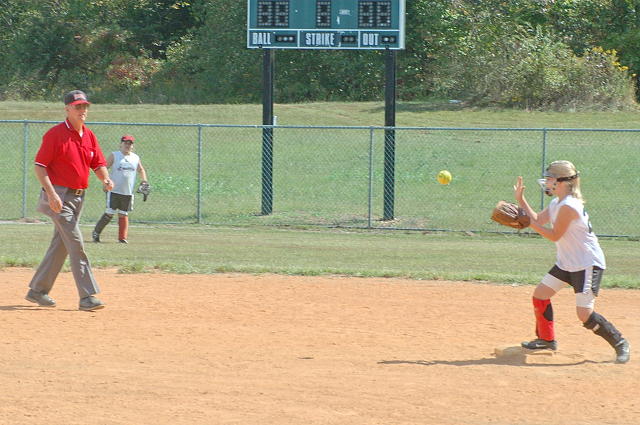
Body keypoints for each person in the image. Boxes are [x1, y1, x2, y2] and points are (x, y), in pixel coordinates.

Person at [514, 160, 630, 363]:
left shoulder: (569, 206)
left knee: (584, 314)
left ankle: (620, 342)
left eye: (550, 178)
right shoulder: (557, 202)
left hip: (586, 263)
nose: (546, 181)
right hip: (567, 262)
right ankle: (546, 339)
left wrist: (528, 223)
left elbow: (554, 235)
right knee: (540, 295)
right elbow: (538, 220)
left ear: (561, 182)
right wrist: (521, 200)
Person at [26, 90, 113, 311]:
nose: (82, 110)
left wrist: (105, 178)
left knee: (61, 245)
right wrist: (51, 194)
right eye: (77, 106)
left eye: (85, 106)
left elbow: (97, 163)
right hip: (59, 197)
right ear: (67, 109)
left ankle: (37, 290)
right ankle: (87, 296)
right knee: (75, 243)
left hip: (78, 197)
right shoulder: (55, 135)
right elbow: (40, 166)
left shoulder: (89, 135)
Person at [92, 134, 148, 244]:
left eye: (130, 143)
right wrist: (105, 181)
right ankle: (96, 233)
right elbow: (104, 168)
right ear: (120, 144)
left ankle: (122, 238)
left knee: (124, 214)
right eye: (125, 143)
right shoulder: (115, 155)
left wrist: (144, 181)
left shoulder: (135, 158)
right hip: (114, 190)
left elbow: (141, 170)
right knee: (109, 213)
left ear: (132, 146)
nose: (127, 145)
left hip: (127, 192)